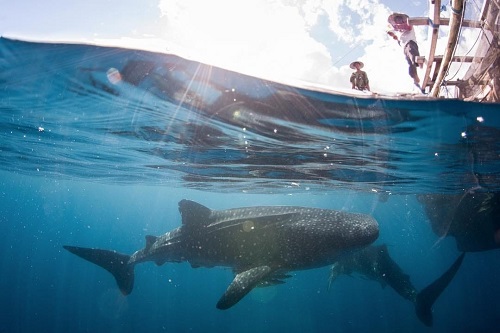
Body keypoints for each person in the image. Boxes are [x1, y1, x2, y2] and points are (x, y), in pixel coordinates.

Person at [387, 13, 424, 93]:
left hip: (410, 43)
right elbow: (400, 41)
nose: (398, 21)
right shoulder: (399, 32)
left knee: (413, 56)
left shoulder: (407, 24)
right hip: (404, 48)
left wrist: (394, 28)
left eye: (399, 19)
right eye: (396, 20)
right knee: (410, 68)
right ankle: (416, 80)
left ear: (402, 20)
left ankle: (421, 66)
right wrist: (394, 36)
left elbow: (408, 27)